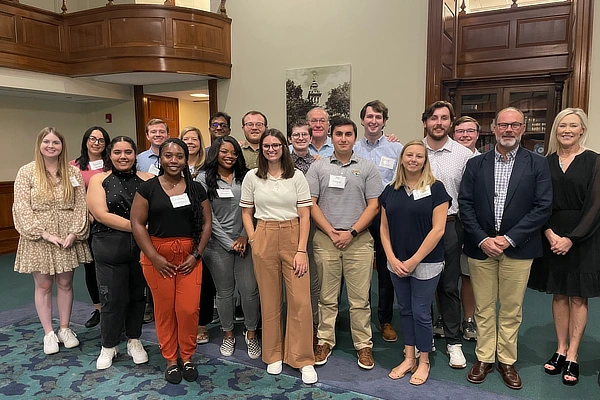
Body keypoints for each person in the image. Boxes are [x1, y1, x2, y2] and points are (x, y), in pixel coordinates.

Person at [459, 107, 552, 390]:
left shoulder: (537, 163)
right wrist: (483, 239)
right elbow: (465, 204)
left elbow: (543, 207)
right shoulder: (476, 164)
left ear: (522, 129)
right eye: (503, 125)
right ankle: (485, 357)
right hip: (482, 247)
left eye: (514, 125)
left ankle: (507, 360)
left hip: (518, 248)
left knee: (511, 309)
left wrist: (508, 238)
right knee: (484, 307)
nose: (508, 130)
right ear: (494, 129)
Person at [528, 108, 600, 386]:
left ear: (582, 130)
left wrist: (572, 238)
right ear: (555, 131)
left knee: (578, 297)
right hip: (551, 235)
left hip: (583, 237)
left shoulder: (594, 161)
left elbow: (596, 206)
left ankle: (573, 354)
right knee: (558, 294)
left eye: (573, 126)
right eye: (561, 126)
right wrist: (549, 233)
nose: (567, 130)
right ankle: (560, 348)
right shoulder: (545, 163)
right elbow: (538, 201)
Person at [131, 138, 212, 384]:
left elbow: (207, 223)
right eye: (168, 155)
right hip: (158, 256)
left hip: (190, 256)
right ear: (161, 159)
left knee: (187, 309)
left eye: (179, 156)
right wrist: (154, 257)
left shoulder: (196, 189)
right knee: (165, 310)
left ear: (186, 159)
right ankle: (170, 360)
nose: (173, 160)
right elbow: (137, 224)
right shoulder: (148, 188)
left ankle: (187, 356)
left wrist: (196, 254)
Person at [240, 128, 317, 384]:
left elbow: (305, 215)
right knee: (270, 299)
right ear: (261, 149)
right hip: (264, 234)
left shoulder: (296, 176)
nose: (271, 149)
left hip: (293, 235)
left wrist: (301, 249)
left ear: (284, 147)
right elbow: (246, 212)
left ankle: (302, 358)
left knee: (301, 301)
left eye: (276, 145)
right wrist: (253, 240)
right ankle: (273, 354)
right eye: (266, 145)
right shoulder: (252, 176)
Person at [307, 117, 382, 370]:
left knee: (360, 299)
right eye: (338, 134)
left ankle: (363, 345)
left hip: (358, 241)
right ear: (331, 136)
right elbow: (311, 203)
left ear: (354, 137)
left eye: (348, 134)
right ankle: (324, 340)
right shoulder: (318, 168)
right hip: (326, 239)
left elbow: (374, 205)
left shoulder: (368, 167)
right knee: (327, 297)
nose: (343, 138)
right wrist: (330, 231)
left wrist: (351, 231)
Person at [13, 127, 91, 355]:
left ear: (62, 146)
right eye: (46, 141)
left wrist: (75, 233)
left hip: (67, 237)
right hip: (40, 238)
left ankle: (65, 328)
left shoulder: (72, 173)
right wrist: (44, 234)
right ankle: (49, 332)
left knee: (65, 284)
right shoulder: (27, 172)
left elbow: (81, 206)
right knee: (44, 285)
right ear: (39, 145)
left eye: (55, 142)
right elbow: (21, 208)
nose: (50, 146)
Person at [380, 140, 450, 385]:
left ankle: (424, 361)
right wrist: (390, 257)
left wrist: (413, 261)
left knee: (421, 312)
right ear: (401, 158)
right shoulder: (391, 190)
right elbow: (384, 228)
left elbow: (438, 230)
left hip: (426, 262)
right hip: (396, 263)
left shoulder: (436, 188)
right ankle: (408, 358)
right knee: (406, 310)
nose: (413, 159)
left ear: (424, 160)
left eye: (419, 156)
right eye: (409, 155)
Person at [87, 136, 153, 370]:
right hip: (109, 244)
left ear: (136, 155)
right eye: (117, 152)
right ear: (110, 154)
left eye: (128, 152)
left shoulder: (148, 179)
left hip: (142, 245)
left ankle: (134, 340)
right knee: (112, 298)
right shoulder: (99, 180)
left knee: (138, 296)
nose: (123, 157)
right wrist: (137, 227)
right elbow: (101, 214)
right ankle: (109, 344)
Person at [197, 136, 261, 359]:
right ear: (216, 152)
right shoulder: (204, 178)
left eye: (234, 152)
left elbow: (253, 209)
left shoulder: (247, 177)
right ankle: (228, 334)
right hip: (216, 244)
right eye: (224, 151)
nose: (230, 156)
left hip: (246, 242)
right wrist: (228, 242)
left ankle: (251, 333)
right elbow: (207, 216)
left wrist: (244, 237)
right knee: (224, 293)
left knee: (249, 291)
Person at [422, 101, 473, 369]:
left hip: (452, 226)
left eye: (444, 118)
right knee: (421, 285)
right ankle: (424, 338)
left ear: (450, 123)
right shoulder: (415, 152)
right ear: (426, 122)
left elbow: (470, 196)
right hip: (420, 228)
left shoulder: (464, 155)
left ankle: (453, 342)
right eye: (433, 118)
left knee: (449, 285)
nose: (438, 123)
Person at [354, 100, 403, 343]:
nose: (373, 121)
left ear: (384, 121)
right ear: (362, 120)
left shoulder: (397, 149)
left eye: (378, 117)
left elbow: (401, 182)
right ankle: (354, 316)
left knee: (386, 268)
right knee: (355, 268)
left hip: (386, 215)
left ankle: (385, 319)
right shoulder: (351, 147)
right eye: (369, 116)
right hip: (358, 215)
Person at [70, 126, 111, 329]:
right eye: (93, 139)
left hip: (111, 223)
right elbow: (71, 196)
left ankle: (115, 309)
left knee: (111, 266)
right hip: (88, 224)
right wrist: (85, 213)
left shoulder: (112, 163)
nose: (96, 143)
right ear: (86, 141)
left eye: (101, 140)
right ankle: (99, 309)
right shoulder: (73, 167)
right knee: (91, 267)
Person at [179, 126, 215, 344]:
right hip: (179, 230)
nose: (191, 142)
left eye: (195, 139)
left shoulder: (207, 168)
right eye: (186, 139)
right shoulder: (173, 167)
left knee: (205, 280)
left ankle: (202, 323)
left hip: (205, 229)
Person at [287, 119, 320, 345]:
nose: (300, 138)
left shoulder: (319, 163)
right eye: (295, 135)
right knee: (289, 274)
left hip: (313, 223)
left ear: (311, 138)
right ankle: (290, 321)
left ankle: (314, 322)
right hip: (287, 223)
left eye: (304, 135)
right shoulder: (282, 161)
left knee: (313, 274)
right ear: (290, 138)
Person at [452, 115, 481, 341]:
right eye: (460, 131)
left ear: (477, 135)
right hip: (450, 224)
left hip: (474, 228)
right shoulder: (448, 157)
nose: (465, 135)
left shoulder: (484, 161)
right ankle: (445, 317)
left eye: (470, 131)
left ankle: (468, 319)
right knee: (445, 275)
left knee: (468, 275)